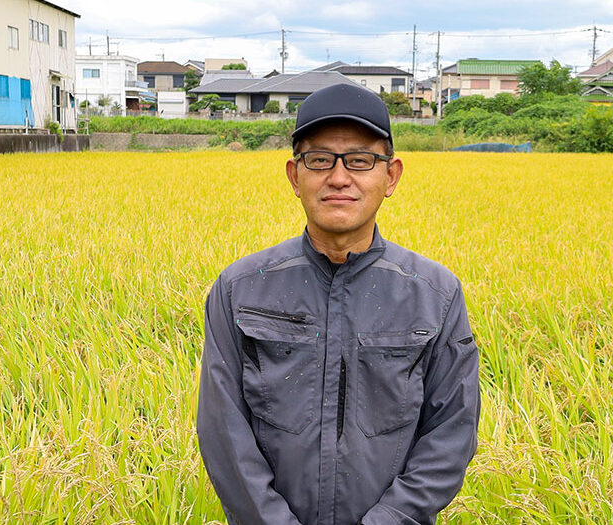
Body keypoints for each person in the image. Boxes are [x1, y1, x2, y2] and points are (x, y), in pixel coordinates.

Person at [196, 83, 481, 525]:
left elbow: (451, 432)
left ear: (391, 176)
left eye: (361, 160)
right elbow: (223, 430)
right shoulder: (240, 289)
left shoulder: (435, 294)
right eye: (320, 159)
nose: (339, 177)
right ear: (295, 176)